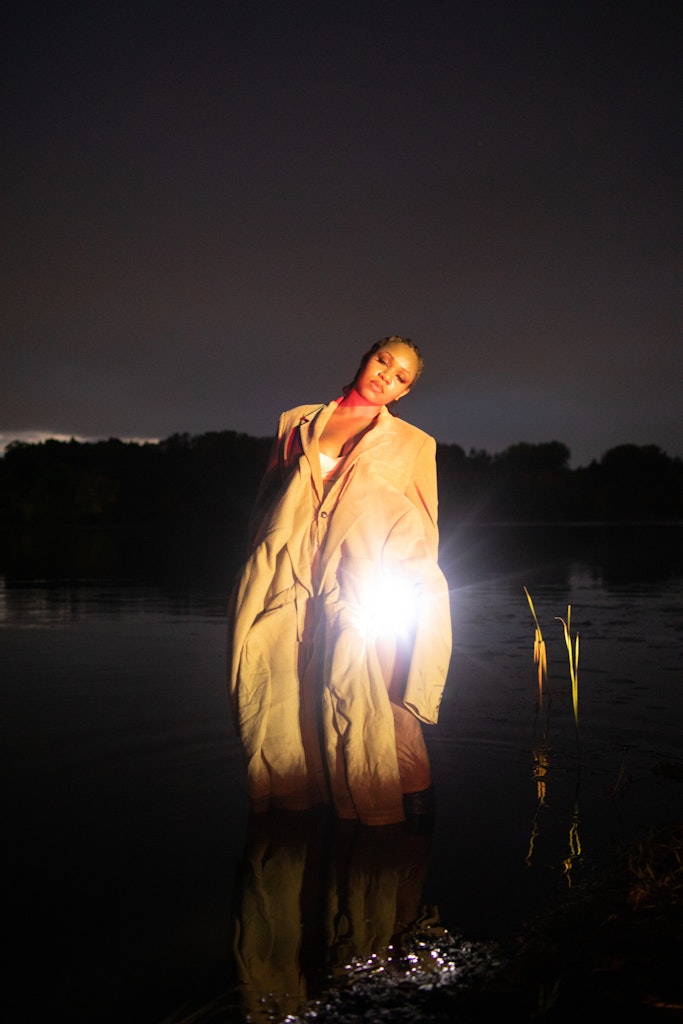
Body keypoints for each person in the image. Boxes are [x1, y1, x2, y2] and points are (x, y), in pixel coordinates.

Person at [227, 336, 452, 826]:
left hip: (368, 587)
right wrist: (258, 572)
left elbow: (423, 527)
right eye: (383, 362)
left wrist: (416, 602)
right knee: (294, 702)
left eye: (400, 377)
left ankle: (407, 842)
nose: (386, 376)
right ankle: (307, 821)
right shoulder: (297, 422)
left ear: (404, 393)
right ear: (365, 357)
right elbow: (267, 504)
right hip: (291, 584)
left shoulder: (415, 444)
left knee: (391, 713)